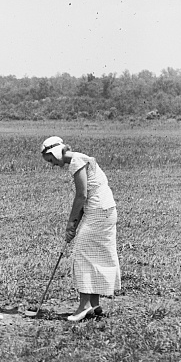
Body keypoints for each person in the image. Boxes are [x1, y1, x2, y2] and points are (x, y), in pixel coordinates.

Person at [40, 136, 121, 321]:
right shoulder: (80, 158)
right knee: (95, 255)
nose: (52, 164)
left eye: (51, 160)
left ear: (55, 152)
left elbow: (81, 196)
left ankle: (84, 306)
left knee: (82, 255)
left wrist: (70, 224)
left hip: (99, 211)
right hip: (105, 210)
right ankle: (94, 305)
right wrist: (75, 224)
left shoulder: (76, 161)